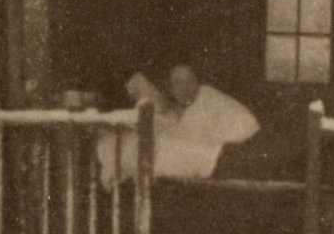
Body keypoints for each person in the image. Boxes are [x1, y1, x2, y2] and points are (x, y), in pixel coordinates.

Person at [98, 64, 258, 187]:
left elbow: (187, 135)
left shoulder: (207, 97)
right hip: (226, 155)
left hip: (242, 150)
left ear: (197, 82)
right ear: (170, 88)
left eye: (189, 82)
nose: (185, 88)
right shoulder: (169, 111)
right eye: (178, 83)